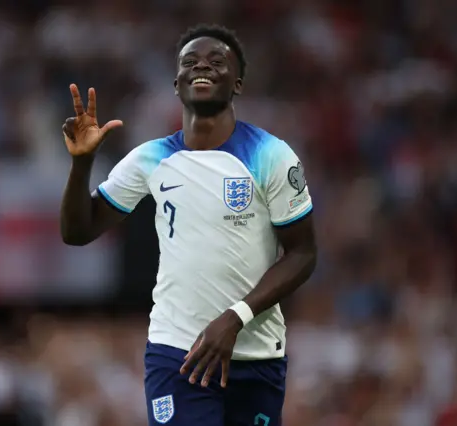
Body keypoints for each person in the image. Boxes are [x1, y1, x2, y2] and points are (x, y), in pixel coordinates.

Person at [60, 24, 317, 426]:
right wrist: (81, 165)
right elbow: (78, 232)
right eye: (190, 62)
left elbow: (303, 253)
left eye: (218, 62)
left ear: (237, 83)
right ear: (176, 83)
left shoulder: (272, 155)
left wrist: (236, 318)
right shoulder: (151, 158)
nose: (203, 67)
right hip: (177, 353)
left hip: (256, 355)